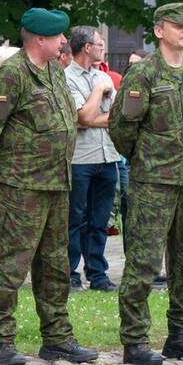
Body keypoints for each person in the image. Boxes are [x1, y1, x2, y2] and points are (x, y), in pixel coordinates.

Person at [0, 8, 97, 365]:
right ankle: (2, 341)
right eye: (59, 37)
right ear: (40, 39)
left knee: (55, 265)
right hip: (20, 187)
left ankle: (57, 339)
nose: (64, 42)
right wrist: (17, 159)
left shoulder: (54, 73)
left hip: (57, 184)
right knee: (9, 265)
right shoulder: (12, 75)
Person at [109, 3, 183, 365]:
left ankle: (181, 336)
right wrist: (145, 160)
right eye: (178, 25)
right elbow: (122, 128)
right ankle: (135, 340)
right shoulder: (144, 75)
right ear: (159, 31)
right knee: (143, 262)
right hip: (152, 183)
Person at [64, 26, 119, 292]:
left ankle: (97, 273)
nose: (102, 47)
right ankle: (70, 272)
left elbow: (117, 119)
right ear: (87, 47)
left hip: (107, 157)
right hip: (80, 159)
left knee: (100, 220)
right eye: (99, 43)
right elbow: (81, 118)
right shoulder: (68, 78)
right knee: (76, 218)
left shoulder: (104, 77)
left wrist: (92, 117)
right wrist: (98, 92)